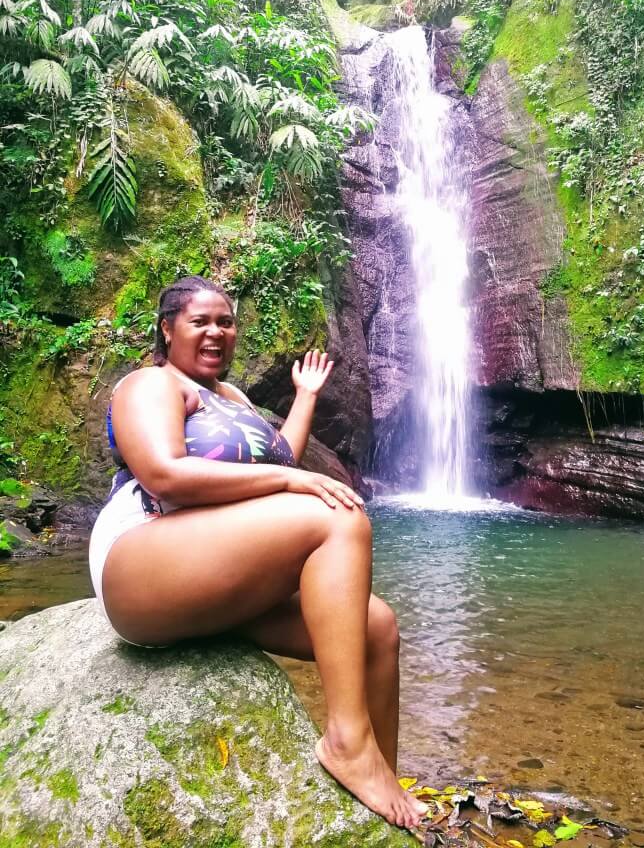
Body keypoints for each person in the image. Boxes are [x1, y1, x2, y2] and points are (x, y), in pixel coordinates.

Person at [88, 275, 426, 829]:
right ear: (167, 328)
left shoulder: (233, 398)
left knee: (377, 629)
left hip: (215, 569)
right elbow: (163, 474)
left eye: (226, 321)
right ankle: (345, 739)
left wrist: (306, 397)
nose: (216, 332)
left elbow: (282, 458)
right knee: (337, 517)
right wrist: (289, 484)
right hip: (143, 555)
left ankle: (377, 796)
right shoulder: (151, 384)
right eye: (200, 321)